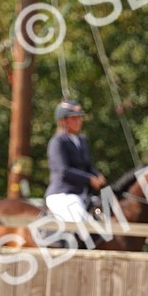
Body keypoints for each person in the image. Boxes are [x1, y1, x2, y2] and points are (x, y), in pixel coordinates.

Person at [45, 99, 107, 231]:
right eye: (74, 118)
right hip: (63, 195)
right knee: (82, 227)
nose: (79, 121)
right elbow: (63, 170)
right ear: (63, 121)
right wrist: (89, 179)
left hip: (82, 195)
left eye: (80, 118)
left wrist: (97, 175)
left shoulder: (82, 140)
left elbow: (88, 166)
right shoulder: (57, 142)